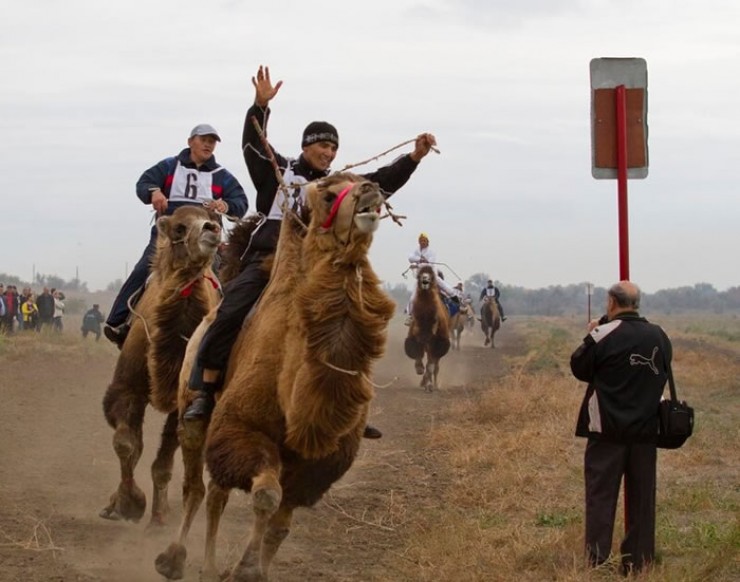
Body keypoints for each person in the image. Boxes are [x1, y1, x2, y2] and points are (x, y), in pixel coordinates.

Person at [183, 64, 438, 437]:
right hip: (268, 262)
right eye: (323, 145)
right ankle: (205, 389)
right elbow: (253, 146)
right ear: (306, 146)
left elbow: (379, 184)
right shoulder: (279, 170)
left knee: (352, 321)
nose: (329, 152)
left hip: (317, 268)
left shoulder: (340, 185)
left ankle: (348, 404)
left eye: (334, 147)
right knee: (229, 314)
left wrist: (413, 158)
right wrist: (260, 107)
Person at [103, 124, 249, 347]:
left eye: (212, 141)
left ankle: (230, 335)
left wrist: (226, 205)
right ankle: (118, 321)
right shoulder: (170, 166)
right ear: (191, 141)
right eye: (204, 139)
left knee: (224, 279)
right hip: (170, 237)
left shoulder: (222, 176)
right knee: (143, 269)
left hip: (205, 241)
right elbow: (144, 182)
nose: (208, 144)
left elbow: (241, 203)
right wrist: (154, 191)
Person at [569, 281, 672, 575]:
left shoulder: (602, 334)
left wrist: (593, 331)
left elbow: (579, 366)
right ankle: (638, 562)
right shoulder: (659, 336)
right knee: (642, 499)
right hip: (646, 432)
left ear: (612, 303)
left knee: (601, 497)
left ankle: (598, 562)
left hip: (607, 432)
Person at [404, 233, 461, 324]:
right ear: (419, 242)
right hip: (420, 278)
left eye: (424, 240)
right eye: (421, 240)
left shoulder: (431, 252)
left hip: (431, 275)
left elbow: (430, 264)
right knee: (412, 298)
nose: (422, 242)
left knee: (445, 287)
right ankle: (410, 316)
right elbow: (410, 257)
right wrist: (420, 259)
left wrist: (419, 263)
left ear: (427, 242)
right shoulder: (416, 251)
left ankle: (456, 299)